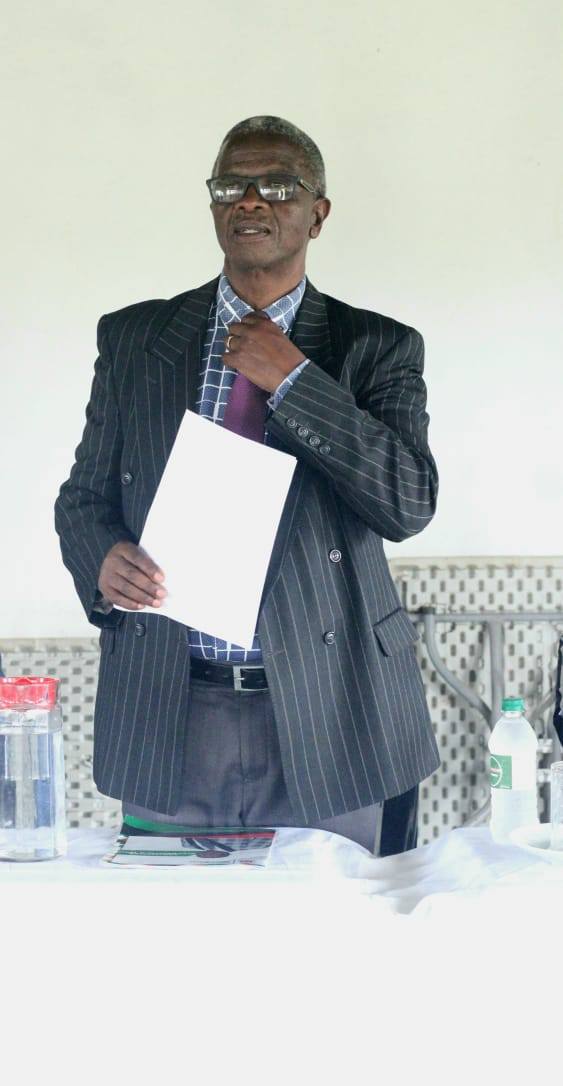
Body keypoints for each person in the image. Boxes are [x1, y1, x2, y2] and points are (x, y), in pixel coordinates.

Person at [55, 115, 440, 856]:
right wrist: (100, 558)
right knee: (173, 922)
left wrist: (294, 379)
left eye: (278, 186)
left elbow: (406, 502)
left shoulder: (376, 347)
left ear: (317, 214)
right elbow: (83, 499)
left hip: (331, 709)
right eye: (231, 186)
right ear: (213, 206)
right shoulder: (136, 338)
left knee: (330, 922)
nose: (252, 200)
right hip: (172, 706)